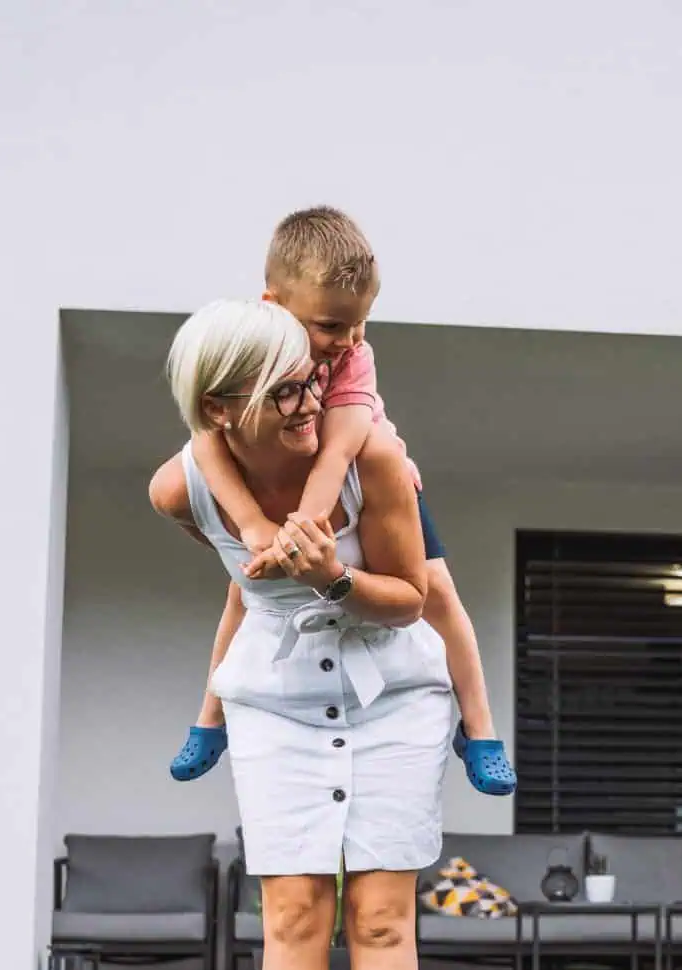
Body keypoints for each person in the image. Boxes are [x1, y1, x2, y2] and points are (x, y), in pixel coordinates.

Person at [148, 299, 454, 970]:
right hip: (276, 702)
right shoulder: (180, 489)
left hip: (392, 694)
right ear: (220, 409)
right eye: (284, 392)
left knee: (382, 918)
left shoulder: (373, 458)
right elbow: (243, 584)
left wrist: (332, 576)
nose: (311, 401)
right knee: (290, 916)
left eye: (309, 381)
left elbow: (411, 597)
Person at [168, 206, 513, 798]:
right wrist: (250, 526)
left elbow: (341, 448)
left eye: (361, 323)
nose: (349, 340)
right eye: (331, 325)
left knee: (438, 590)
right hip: (283, 480)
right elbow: (205, 440)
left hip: (360, 478)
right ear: (276, 304)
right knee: (245, 592)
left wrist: (302, 526)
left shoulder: (352, 357)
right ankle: (211, 717)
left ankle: (479, 728)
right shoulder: (248, 348)